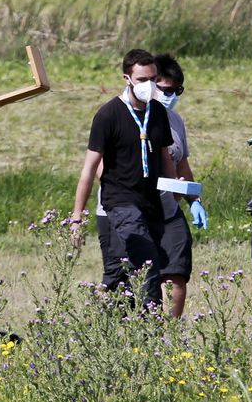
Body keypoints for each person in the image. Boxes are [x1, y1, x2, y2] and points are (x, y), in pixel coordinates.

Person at [70, 49, 179, 311]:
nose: (149, 85)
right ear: (127, 78)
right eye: (142, 80)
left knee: (124, 274)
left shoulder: (158, 113)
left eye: (153, 79)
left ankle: (107, 325)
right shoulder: (109, 115)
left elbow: (166, 158)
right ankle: (149, 329)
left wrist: (177, 194)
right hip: (119, 201)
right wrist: (77, 216)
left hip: (150, 201)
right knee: (148, 264)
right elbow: (88, 169)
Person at [148, 53, 206, 317]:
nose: (170, 95)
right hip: (138, 208)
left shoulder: (176, 122)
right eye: (165, 89)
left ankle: (168, 334)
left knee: (176, 271)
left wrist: (194, 200)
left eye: (176, 90)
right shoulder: (130, 115)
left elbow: (182, 165)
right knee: (141, 276)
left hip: (169, 208)